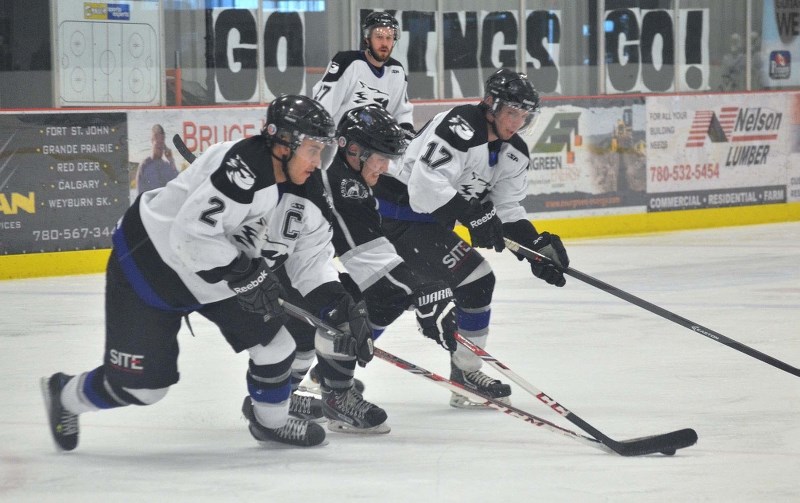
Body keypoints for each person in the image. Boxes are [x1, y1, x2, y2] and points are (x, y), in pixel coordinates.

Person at [40, 95, 374, 451]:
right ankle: (65, 395)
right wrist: (246, 273)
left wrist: (337, 305)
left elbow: (310, 258)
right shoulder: (243, 164)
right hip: (152, 264)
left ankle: (270, 423)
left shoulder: (307, 191)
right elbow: (190, 236)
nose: (317, 160)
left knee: (277, 347)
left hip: (214, 275)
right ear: (282, 144)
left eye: (322, 149)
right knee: (145, 388)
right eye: (311, 148)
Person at [372, 68, 570, 407]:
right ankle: (464, 372)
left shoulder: (514, 153)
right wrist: (472, 213)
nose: (517, 123)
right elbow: (423, 190)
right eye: (511, 113)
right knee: (475, 279)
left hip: (427, 224)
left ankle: (332, 371)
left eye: (524, 115)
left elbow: (505, 207)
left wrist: (534, 246)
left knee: (388, 299)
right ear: (491, 104)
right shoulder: (460, 125)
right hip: (393, 216)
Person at [293, 105, 458, 433]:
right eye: (379, 157)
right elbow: (371, 260)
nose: (384, 167)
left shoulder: (347, 180)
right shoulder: (337, 184)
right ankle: (331, 397)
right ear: (353, 150)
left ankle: (286, 390)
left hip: (295, 266)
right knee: (343, 307)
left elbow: (369, 255)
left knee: (361, 296)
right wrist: (419, 291)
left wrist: (417, 291)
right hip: (267, 269)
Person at [311, 11, 414, 136]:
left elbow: (402, 113)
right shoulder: (346, 62)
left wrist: (407, 135)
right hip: (340, 145)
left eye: (389, 38)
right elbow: (323, 106)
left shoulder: (396, 70)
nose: (384, 43)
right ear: (367, 38)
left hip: (375, 149)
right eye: (379, 37)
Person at [136, 124, 179, 195]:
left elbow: (178, 184)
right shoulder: (144, 166)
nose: (160, 147)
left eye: (162, 143)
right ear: (152, 141)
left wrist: (171, 160)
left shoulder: (167, 166)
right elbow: (140, 196)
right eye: (157, 143)